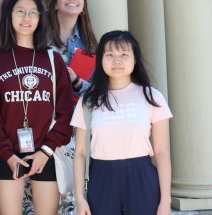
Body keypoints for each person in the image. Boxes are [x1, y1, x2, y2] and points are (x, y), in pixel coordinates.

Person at [0, 0, 73, 215]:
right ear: (9, 16)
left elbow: (66, 111)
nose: (26, 18)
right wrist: (8, 155)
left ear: (40, 18)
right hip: (7, 154)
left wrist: (46, 150)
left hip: (46, 151)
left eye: (33, 13)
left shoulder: (53, 60)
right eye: (20, 11)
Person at [72, 30, 172, 215]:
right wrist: (80, 198)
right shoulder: (88, 101)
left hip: (142, 176)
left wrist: (165, 201)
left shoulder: (151, 97)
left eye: (124, 54)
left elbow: (162, 152)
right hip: (101, 176)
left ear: (135, 59)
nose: (116, 60)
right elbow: (80, 153)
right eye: (109, 55)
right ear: (101, 60)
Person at [49, 0, 99, 96]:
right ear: (55, 4)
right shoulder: (40, 38)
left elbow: (99, 90)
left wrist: (77, 81)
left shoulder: (90, 45)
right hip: (45, 110)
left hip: (77, 112)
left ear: (83, 6)